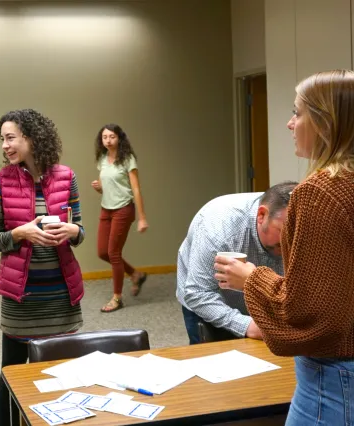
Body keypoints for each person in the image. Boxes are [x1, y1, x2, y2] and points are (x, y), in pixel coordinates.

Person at [215, 69, 354, 425]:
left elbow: (312, 316)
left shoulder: (320, 193)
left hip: (335, 377)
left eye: (298, 112)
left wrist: (251, 279)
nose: (290, 124)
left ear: (325, 122)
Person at [0, 109, 85, 426]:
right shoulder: (0, 182)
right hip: (22, 298)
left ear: (31, 137)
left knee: (61, 376)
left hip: (61, 294)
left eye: (10, 137)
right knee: (12, 376)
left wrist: (74, 232)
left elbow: (78, 230)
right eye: (2, 139)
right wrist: (19, 234)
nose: (5, 145)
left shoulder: (66, 176)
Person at [176, 181, 297, 345]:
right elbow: (198, 293)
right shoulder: (218, 230)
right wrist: (247, 326)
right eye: (284, 233)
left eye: (298, 235)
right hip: (210, 298)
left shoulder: (311, 228)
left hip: (270, 303)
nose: (292, 244)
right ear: (262, 216)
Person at [91, 124, 149, 313]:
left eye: (112, 136)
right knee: (102, 252)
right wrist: (99, 187)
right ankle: (135, 274)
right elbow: (106, 183)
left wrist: (141, 217)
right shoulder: (101, 158)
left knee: (113, 253)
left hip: (123, 209)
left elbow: (136, 188)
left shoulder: (128, 159)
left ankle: (117, 298)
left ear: (119, 138)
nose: (108, 140)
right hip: (106, 209)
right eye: (105, 137)